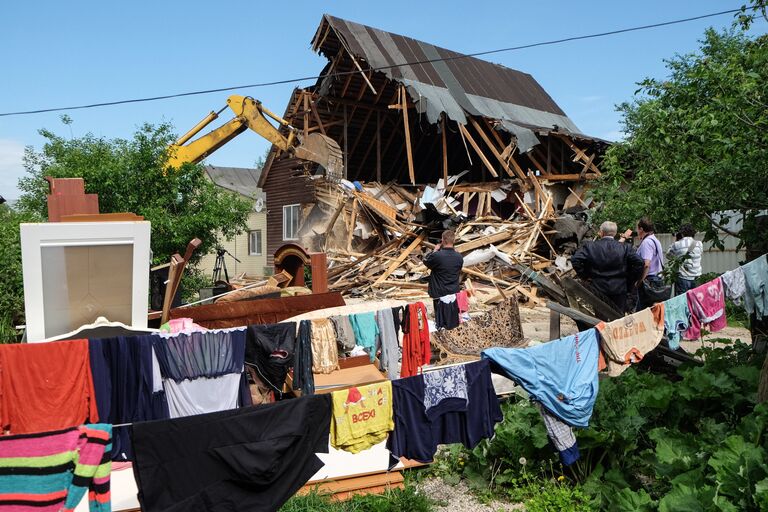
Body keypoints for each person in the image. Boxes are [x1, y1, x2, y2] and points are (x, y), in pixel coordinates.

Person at [571, 221, 644, 313]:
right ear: (615, 233)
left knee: (600, 318)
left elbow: (575, 260)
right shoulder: (625, 247)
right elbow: (640, 263)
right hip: (619, 288)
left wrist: (585, 276)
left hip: (598, 287)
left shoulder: (590, 246)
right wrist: (630, 279)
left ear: (601, 232)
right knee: (618, 318)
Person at [424, 229, 464, 330]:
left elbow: (426, 261)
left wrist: (434, 250)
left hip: (439, 292)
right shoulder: (459, 257)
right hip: (453, 292)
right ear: (453, 241)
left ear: (443, 240)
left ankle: (442, 338)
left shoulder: (437, 256)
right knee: (452, 320)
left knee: (441, 322)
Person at [635, 217, 666, 309]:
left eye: (637, 228)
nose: (636, 231)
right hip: (657, 279)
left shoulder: (647, 242)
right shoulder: (655, 240)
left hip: (649, 281)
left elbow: (646, 264)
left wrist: (640, 281)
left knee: (643, 312)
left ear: (641, 229)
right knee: (654, 311)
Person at [666, 223, 702, 295]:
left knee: (682, 304)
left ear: (681, 233)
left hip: (682, 279)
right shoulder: (699, 244)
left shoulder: (677, 244)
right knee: (695, 302)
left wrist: (675, 241)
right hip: (696, 278)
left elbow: (668, 256)